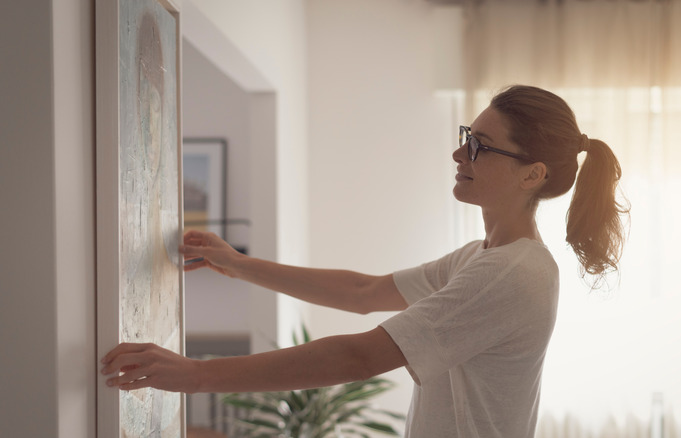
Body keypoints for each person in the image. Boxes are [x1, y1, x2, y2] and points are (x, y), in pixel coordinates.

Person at [102, 85, 628, 438]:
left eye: (480, 147)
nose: (458, 155)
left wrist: (196, 376)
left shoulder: (513, 274)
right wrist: (238, 264)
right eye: (467, 138)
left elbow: (361, 358)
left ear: (531, 175)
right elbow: (363, 293)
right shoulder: (482, 258)